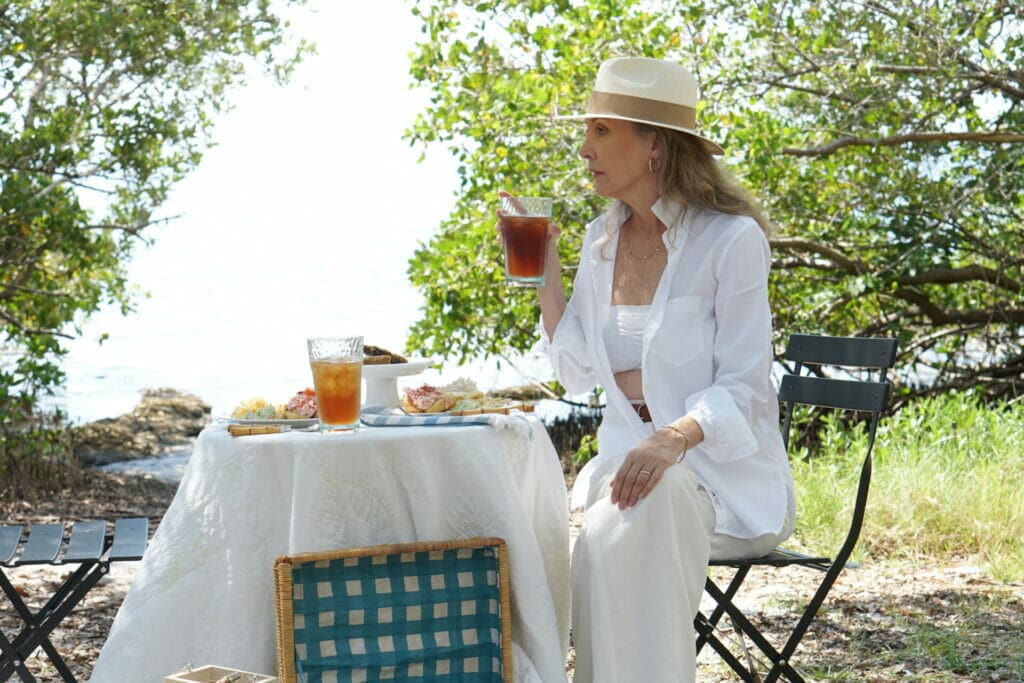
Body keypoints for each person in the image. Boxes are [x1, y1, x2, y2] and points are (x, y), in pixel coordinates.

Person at [534, 57, 796, 681]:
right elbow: (574, 371)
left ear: (654, 144)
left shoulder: (730, 241)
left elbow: (745, 384)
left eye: (601, 131)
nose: (583, 148)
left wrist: (673, 435)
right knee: (615, 514)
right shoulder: (601, 240)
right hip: (626, 468)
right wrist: (546, 272)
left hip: (721, 479)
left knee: (646, 506)